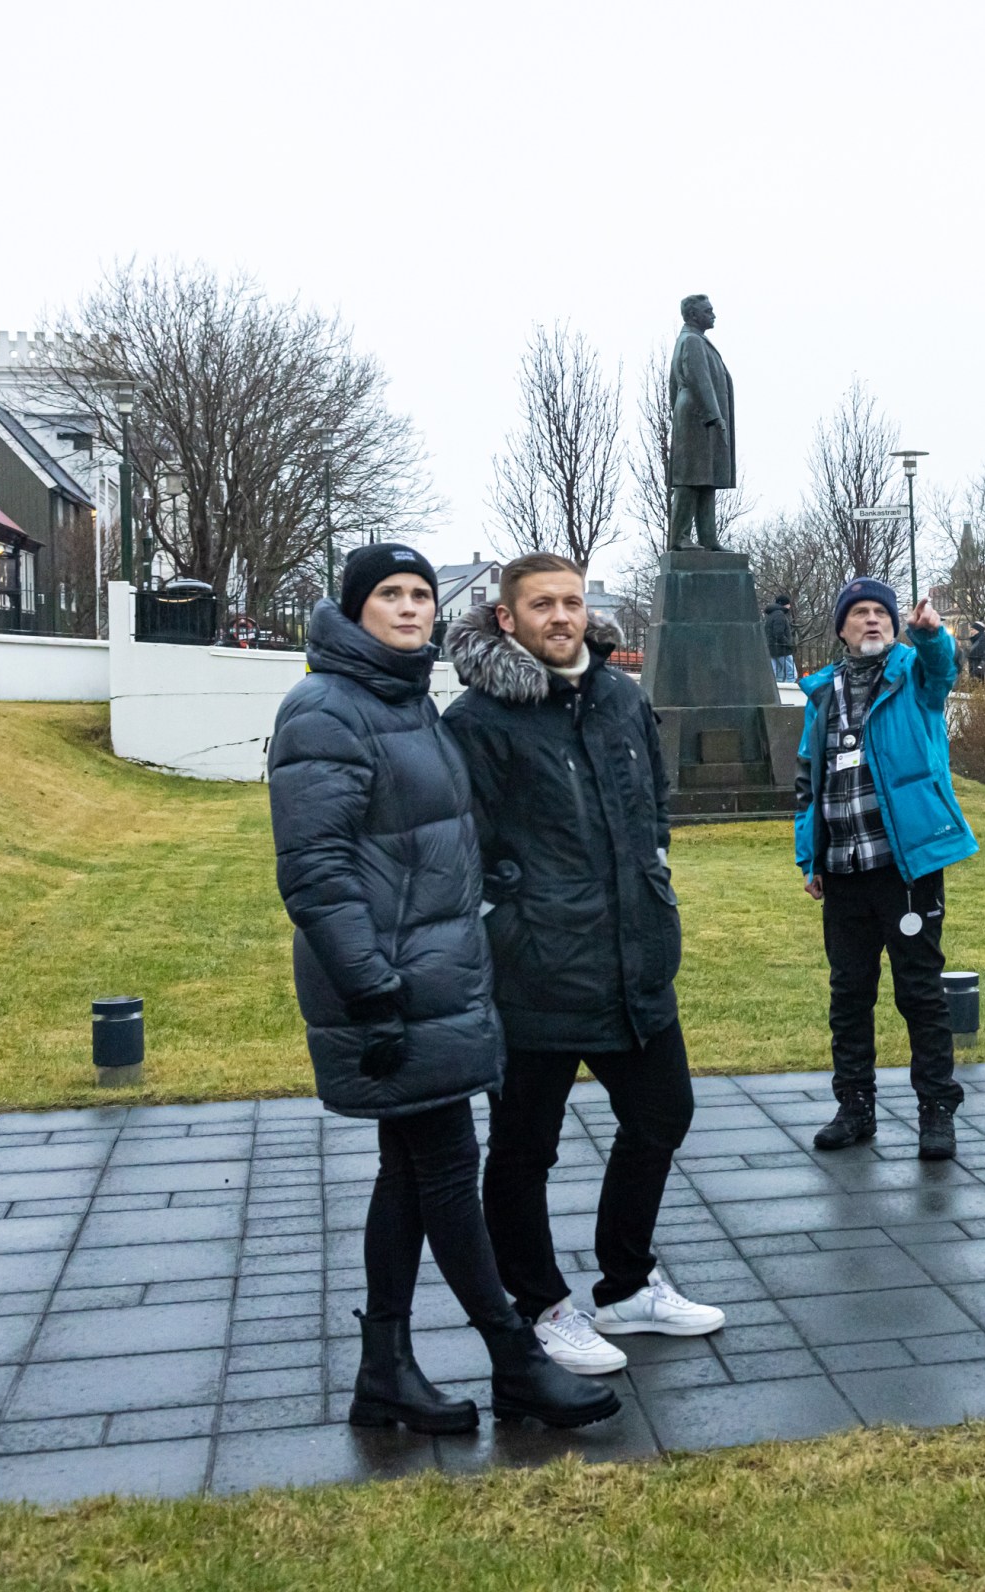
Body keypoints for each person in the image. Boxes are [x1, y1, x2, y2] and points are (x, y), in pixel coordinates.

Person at [268, 544, 619, 1434]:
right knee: (449, 1169)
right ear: (354, 611)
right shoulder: (323, 708)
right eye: (390, 594)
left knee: (407, 1172)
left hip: (432, 978)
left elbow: (433, 835)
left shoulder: (404, 701)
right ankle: (516, 1360)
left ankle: (384, 1368)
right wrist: (373, 989)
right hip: (389, 988)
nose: (412, 608)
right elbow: (316, 870)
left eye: (422, 594)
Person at [444, 553, 727, 1378]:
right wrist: (512, 917)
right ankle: (539, 1308)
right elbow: (464, 847)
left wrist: (656, 869)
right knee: (525, 1148)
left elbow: (655, 802)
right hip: (536, 970)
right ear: (508, 618)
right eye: (541, 605)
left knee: (662, 1114)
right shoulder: (477, 721)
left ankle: (629, 1283)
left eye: (570, 601)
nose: (560, 616)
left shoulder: (620, 697)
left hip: (633, 957)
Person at [795, 577, 977, 1160]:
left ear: (895, 624)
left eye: (881, 613)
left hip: (905, 868)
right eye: (860, 613)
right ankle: (855, 1107)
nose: (871, 621)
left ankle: (936, 1112)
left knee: (919, 992)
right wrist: (810, 856)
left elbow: (942, 668)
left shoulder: (914, 676)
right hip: (844, 869)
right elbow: (808, 783)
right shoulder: (822, 693)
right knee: (849, 993)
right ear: (842, 628)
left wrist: (932, 636)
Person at [766, 594, 799, 687]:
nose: (790, 606)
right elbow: (779, 633)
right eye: (788, 604)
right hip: (782, 649)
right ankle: (790, 693)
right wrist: (789, 644)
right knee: (791, 673)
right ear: (784, 604)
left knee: (778, 674)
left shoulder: (771, 615)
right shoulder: (779, 615)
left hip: (773, 648)